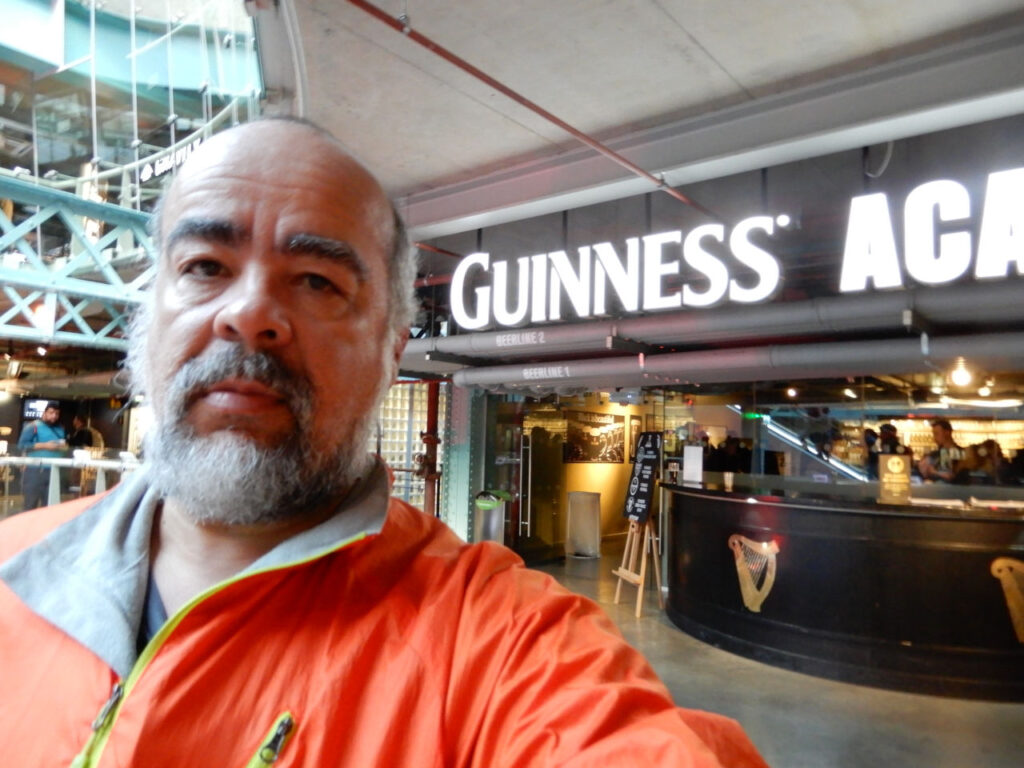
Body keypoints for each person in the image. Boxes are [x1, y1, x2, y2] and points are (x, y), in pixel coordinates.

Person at [0, 119, 766, 767]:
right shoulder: (13, 568)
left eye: (316, 281)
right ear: (150, 312)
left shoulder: (496, 639)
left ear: (390, 352)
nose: (250, 313)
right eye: (205, 266)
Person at [15, 400, 66, 511]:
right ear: (44, 413)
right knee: (30, 504)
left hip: (54, 471)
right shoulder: (33, 426)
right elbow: (22, 445)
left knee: (49, 505)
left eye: (57, 414)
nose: (54, 416)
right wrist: (44, 446)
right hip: (35, 470)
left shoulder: (60, 429)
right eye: (51, 413)